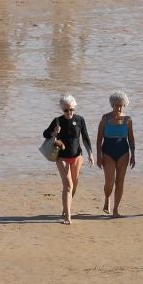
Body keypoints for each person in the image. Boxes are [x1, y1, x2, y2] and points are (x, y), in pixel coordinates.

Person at [43, 95, 90, 223]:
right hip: (62, 157)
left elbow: (85, 137)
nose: (69, 112)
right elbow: (45, 134)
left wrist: (90, 153)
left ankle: (66, 207)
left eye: (71, 110)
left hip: (77, 156)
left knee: (74, 184)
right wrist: (54, 132)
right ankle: (67, 216)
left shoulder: (80, 120)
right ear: (62, 109)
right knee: (68, 185)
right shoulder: (57, 121)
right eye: (66, 110)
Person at [96, 92, 135, 218]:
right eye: (116, 105)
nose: (119, 108)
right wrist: (98, 156)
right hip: (107, 151)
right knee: (110, 181)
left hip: (123, 151)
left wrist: (133, 154)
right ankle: (107, 199)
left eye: (121, 106)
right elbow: (99, 139)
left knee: (120, 182)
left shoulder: (128, 120)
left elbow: (131, 139)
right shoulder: (105, 118)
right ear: (112, 104)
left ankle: (116, 209)